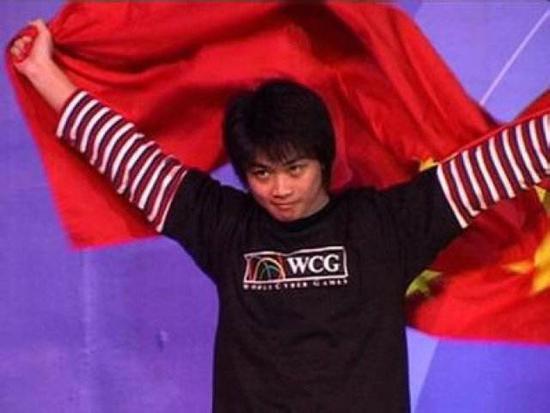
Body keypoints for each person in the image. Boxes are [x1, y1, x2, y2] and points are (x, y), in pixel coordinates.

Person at [11, 20, 549, 413]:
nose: (280, 189)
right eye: (261, 173)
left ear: (324, 161)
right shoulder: (224, 227)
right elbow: (128, 158)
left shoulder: (386, 225)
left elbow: (501, 162)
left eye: (295, 169)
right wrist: (42, 71)